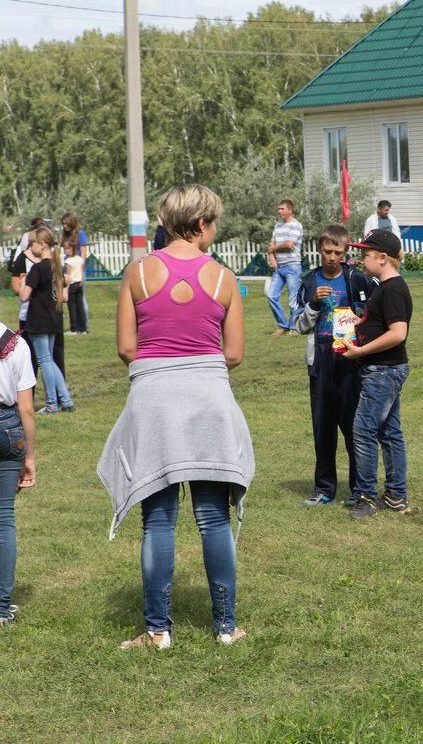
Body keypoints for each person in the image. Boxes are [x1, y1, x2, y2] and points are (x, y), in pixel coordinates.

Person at [100, 184, 252, 649]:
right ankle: (225, 626)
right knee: (213, 518)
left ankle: (157, 630)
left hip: (155, 404)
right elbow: (235, 353)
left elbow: (127, 348)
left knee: (159, 521)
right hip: (209, 401)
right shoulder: (224, 279)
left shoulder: (138, 273)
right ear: (203, 223)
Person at [293, 225, 376, 508]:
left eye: (338, 252)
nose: (332, 257)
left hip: (348, 353)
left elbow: (375, 314)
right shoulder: (309, 282)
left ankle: (359, 489)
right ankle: (325, 489)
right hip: (321, 357)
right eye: (327, 251)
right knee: (323, 426)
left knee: (353, 426)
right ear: (319, 248)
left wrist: (359, 318)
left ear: (345, 252)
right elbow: (299, 326)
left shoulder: (357, 279)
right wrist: (314, 304)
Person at [0, 265, 37, 627]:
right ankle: (0, 612)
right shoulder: (16, 341)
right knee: (3, 524)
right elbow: (27, 406)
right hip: (9, 427)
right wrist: (29, 455)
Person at [340, 230, 414, 518]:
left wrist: (360, 351)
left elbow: (398, 333)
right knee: (389, 431)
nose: (360, 260)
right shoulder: (383, 287)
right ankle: (396, 497)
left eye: (365, 255)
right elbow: (382, 323)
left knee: (363, 428)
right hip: (385, 368)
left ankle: (366, 496)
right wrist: (358, 322)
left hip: (383, 369)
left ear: (383, 258)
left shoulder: (392, 289)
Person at [18, 226, 75, 414]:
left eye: (32, 243)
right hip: (54, 319)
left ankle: (52, 404)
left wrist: (23, 284)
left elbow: (24, 296)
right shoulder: (56, 266)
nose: (29, 247)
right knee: (50, 361)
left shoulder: (37, 268)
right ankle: (65, 400)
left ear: (41, 244)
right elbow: (64, 297)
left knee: (44, 361)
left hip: (39, 321)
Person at [267, 199, 303, 336]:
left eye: (282, 209)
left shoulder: (296, 225)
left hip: (292, 266)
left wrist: (273, 248)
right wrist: (271, 257)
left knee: (293, 299)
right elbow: (271, 244)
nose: (279, 211)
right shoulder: (278, 226)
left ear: (290, 210)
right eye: (279, 209)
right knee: (271, 295)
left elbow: (289, 244)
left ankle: (294, 327)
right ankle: (283, 325)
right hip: (279, 267)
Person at [60, 212, 90, 331]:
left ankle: (84, 326)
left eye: (66, 223)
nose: (64, 226)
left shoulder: (80, 234)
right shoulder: (66, 236)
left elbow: (83, 254)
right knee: (71, 300)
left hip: (78, 270)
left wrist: (80, 272)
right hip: (68, 268)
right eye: (63, 223)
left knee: (80, 299)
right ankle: (76, 326)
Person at [63, 242, 87, 335]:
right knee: (80, 307)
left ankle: (73, 329)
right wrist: (81, 281)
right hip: (79, 284)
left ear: (71, 249)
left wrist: (66, 288)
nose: (65, 251)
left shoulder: (68, 261)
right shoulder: (80, 259)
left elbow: (68, 275)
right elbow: (81, 271)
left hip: (72, 285)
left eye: (66, 249)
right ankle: (83, 329)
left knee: (72, 308)